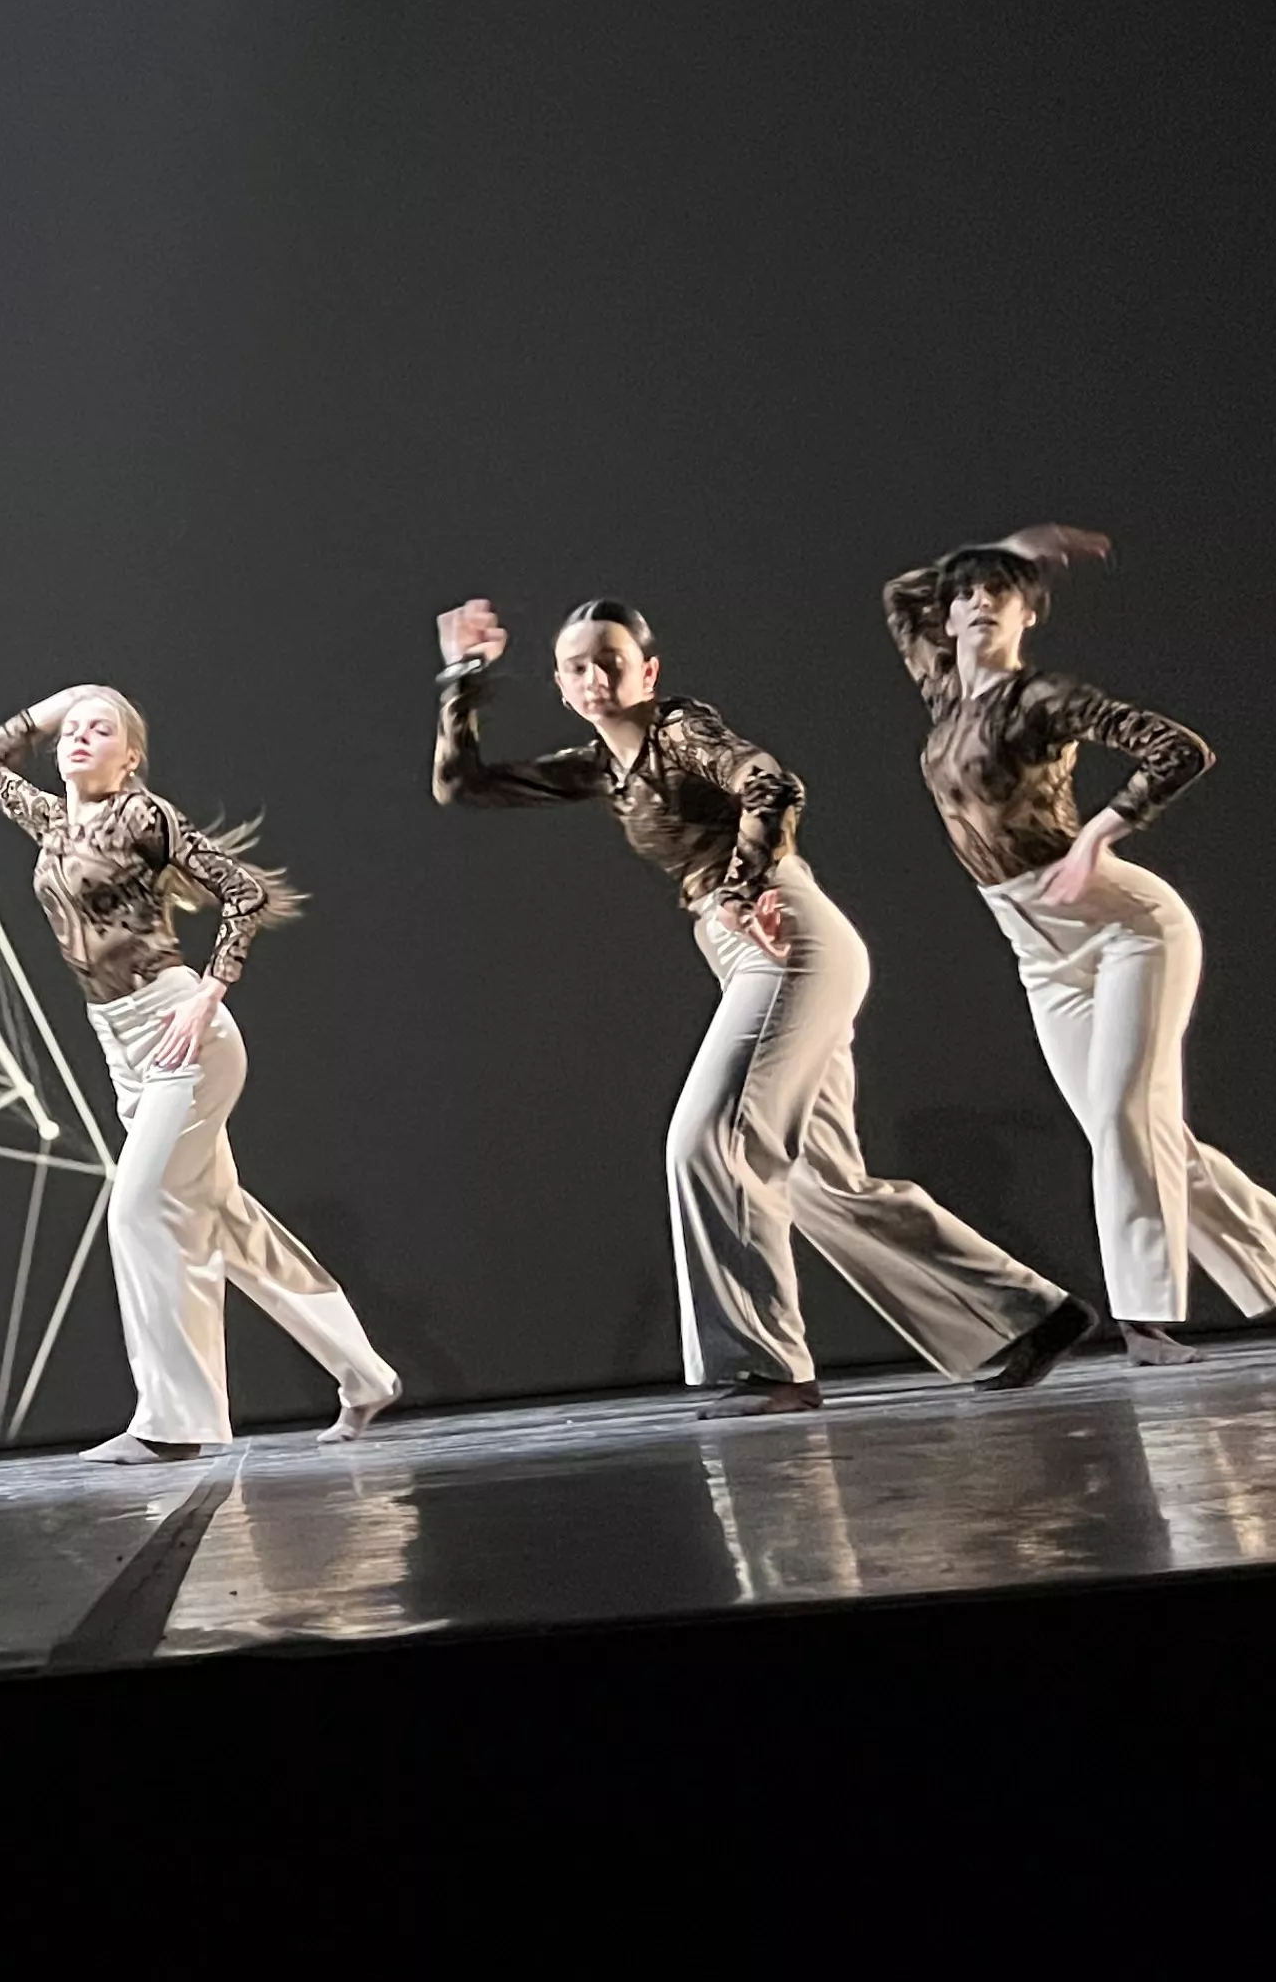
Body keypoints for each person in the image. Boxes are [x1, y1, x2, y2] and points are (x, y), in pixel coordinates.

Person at [431, 598, 1090, 1414]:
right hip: (754, 947)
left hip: (787, 938)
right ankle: (1026, 1316)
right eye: (577, 667)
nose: (596, 677)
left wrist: (746, 885)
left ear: (649, 671)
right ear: (561, 686)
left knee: (705, 1141)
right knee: (821, 1183)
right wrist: (463, 678)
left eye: (611, 660)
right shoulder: (605, 767)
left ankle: (769, 1369)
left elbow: (771, 783)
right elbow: (464, 785)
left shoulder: (679, 732)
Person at [883, 527, 1276, 1361]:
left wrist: (1099, 833)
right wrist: (1008, 550)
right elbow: (901, 595)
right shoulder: (940, 692)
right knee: (1143, 1132)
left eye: (999, 594)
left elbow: (1179, 749)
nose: (976, 605)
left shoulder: (1039, 698)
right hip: (1035, 945)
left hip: (1126, 928)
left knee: (1121, 1118)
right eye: (964, 594)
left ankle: (1144, 1318)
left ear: (1028, 616)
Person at [0, 686, 399, 1461]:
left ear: (131, 757)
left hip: (180, 1032)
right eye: (74, 730)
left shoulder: (142, 816)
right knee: (224, 1221)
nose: (79, 737)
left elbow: (244, 892)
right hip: (119, 1042)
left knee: (136, 1210)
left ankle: (172, 1426)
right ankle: (364, 1375)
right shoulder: (52, 821)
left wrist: (206, 997)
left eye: (102, 730)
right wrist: (57, 705)